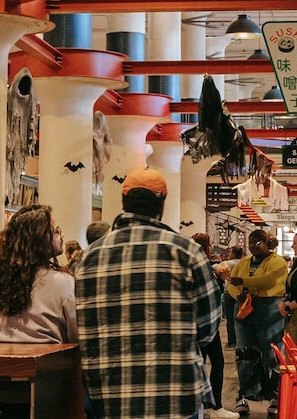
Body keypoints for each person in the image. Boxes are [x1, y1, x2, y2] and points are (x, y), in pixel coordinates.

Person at [76, 168, 224, 419]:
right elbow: (208, 327)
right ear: (161, 205)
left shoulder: (89, 257)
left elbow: (85, 325)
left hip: (111, 395)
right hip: (176, 394)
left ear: (124, 203)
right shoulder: (186, 252)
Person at [0, 205, 79, 418]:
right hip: (50, 389)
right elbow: (76, 338)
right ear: (42, 239)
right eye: (56, 230)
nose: (61, 236)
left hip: (5, 392)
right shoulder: (63, 283)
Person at [230, 229, 289, 414]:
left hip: (269, 309)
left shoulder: (278, 262)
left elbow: (268, 280)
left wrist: (243, 281)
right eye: (250, 243)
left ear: (267, 243)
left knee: (272, 353)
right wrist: (238, 294)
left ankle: (274, 395)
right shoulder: (244, 262)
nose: (253, 247)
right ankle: (245, 396)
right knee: (245, 353)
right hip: (244, 309)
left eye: (257, 243)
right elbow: (232, 283)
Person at [190, 233, 240, 419]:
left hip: (196, 324)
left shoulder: (194, 263)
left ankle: (201, 408)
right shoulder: (202, 265)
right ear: (206, 247)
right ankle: (215, 407)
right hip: (207, 323)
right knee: (217, 362)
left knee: (201, 364)